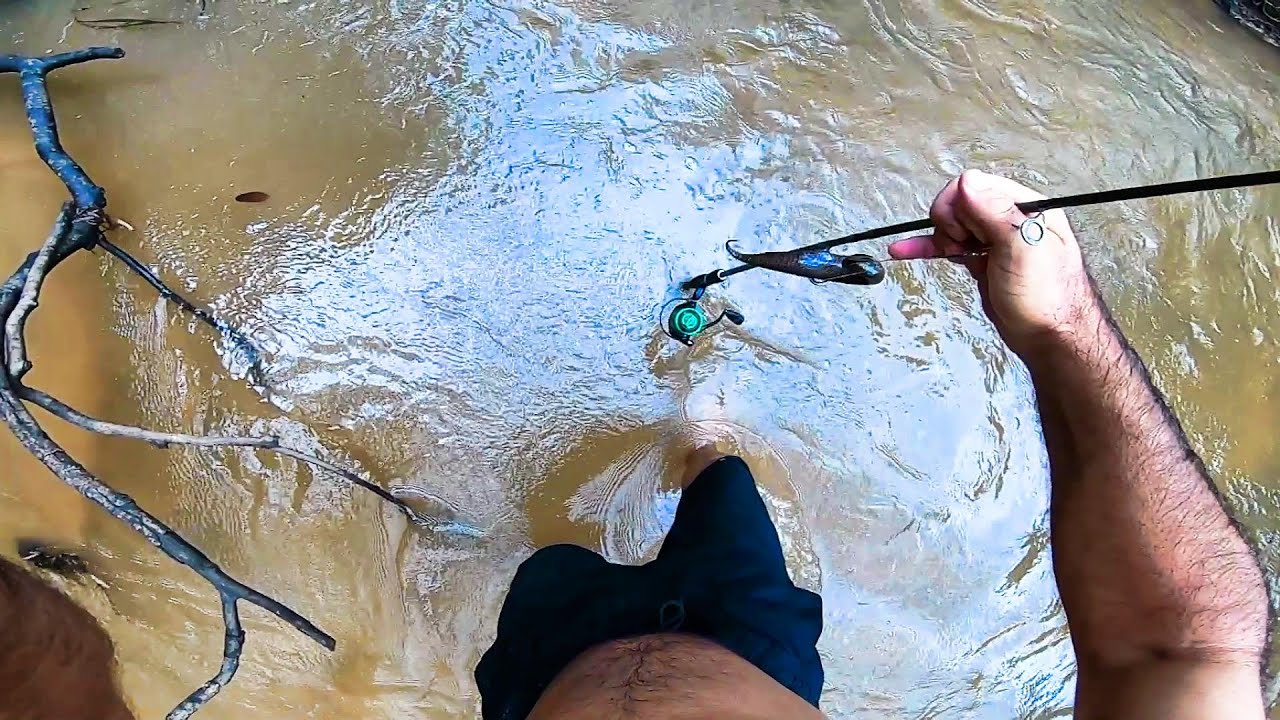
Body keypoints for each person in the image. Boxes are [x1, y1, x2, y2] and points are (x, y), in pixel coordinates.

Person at [477, 171, 1273, 720]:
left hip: (539, 672)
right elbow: (1181, 653)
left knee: (545, 556)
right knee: (722, 475)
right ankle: (704, 432)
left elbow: (1180, 654)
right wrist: (1060, 330)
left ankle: (698, 432)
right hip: (747, 632)